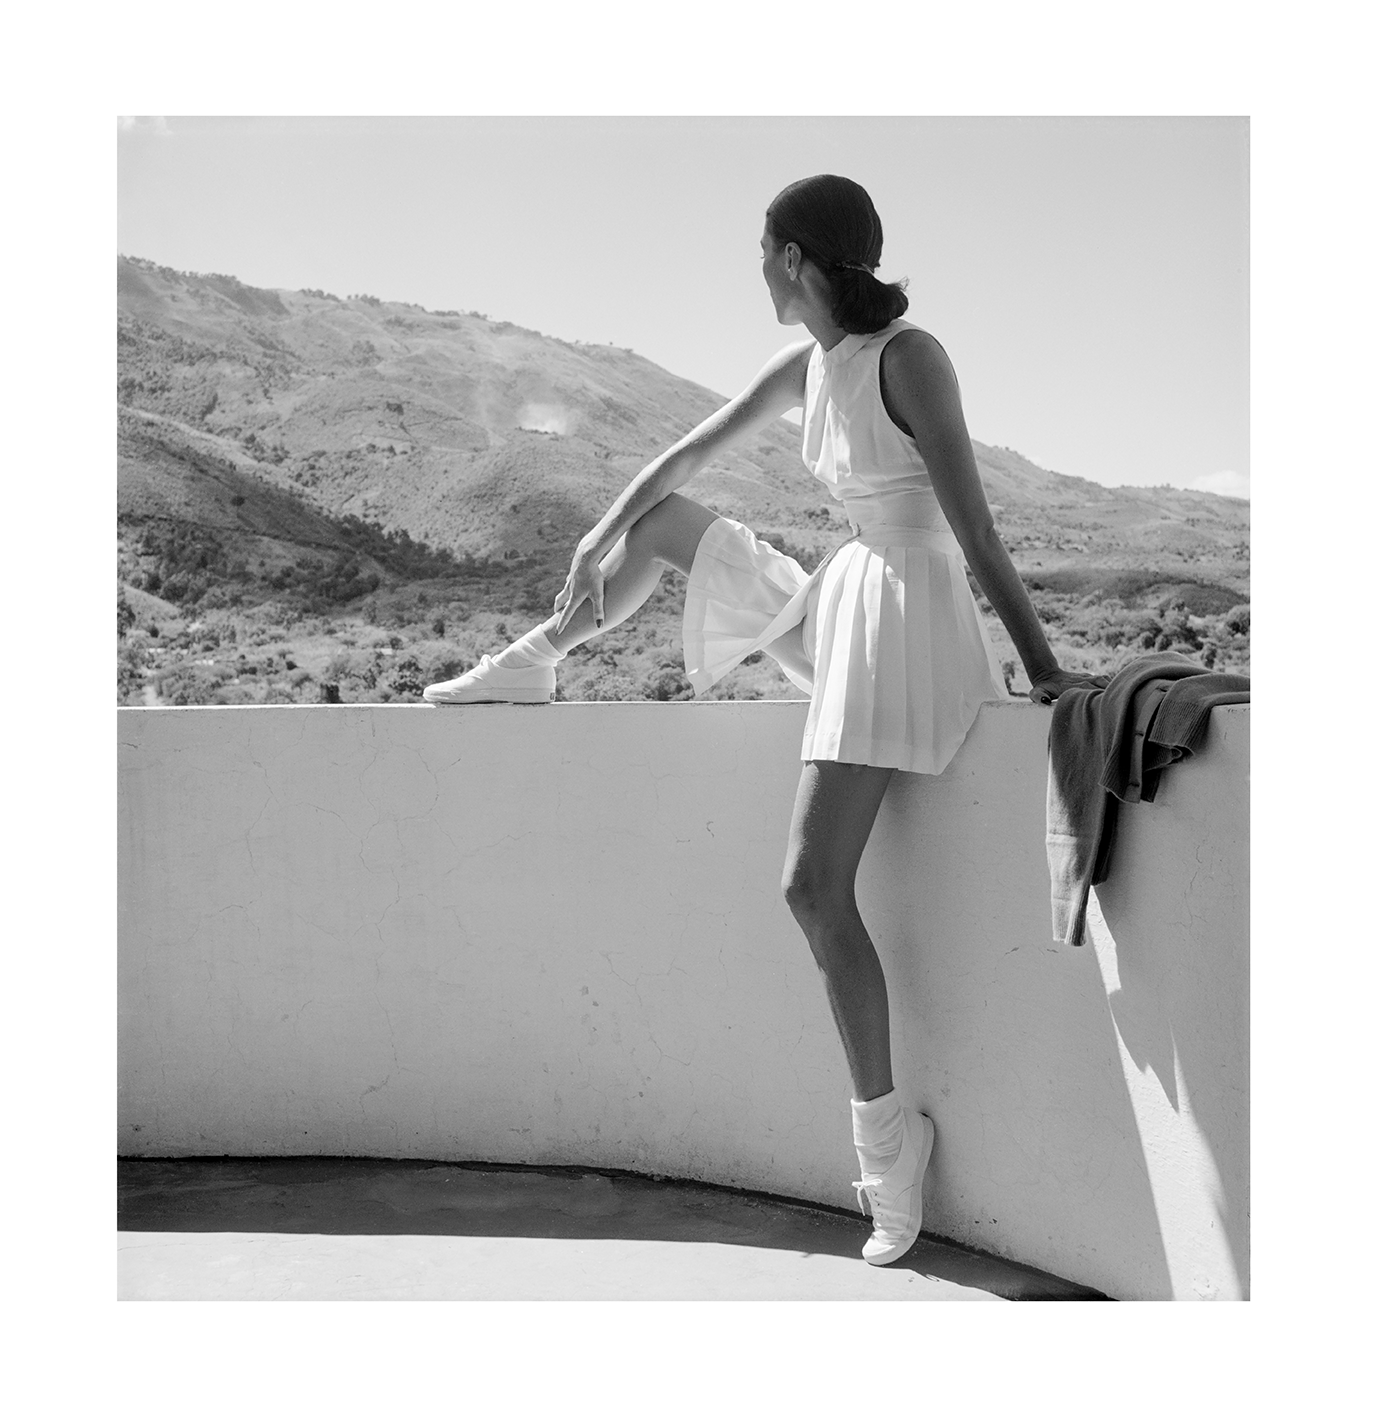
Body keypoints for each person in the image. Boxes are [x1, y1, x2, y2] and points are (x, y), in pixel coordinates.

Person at [424, 174, 1103, 1265]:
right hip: (848, 600)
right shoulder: (808, 366)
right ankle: (533, 662)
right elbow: (685, 457)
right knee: (667, 525)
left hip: (908, 614)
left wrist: (1042, 668)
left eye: (761, 250)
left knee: (807, 883)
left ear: (795, 260)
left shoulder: (910, 359)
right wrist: (598, 535)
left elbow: (972, 526)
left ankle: (889, 1150)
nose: (754, 268)